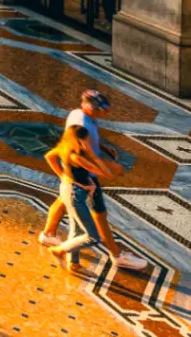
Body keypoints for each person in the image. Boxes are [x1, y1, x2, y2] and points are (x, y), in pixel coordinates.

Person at [36, 89, 144, 269]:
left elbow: (81, 142)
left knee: (66, 201)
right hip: (85, 177)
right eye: (103, 110)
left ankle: (49, 234)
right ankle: (116, 255)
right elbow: (89, 155)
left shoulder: (78, 116)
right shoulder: (81, 124)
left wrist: (102, 146)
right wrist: (109, 168)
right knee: (99, 215)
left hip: (73, 177)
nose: (106, 113)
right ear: (91, 108)